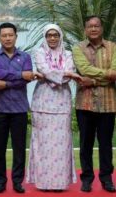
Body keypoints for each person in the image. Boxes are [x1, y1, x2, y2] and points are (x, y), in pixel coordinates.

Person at [71, 15, 116, 193]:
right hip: (84, 104)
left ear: (102, 28)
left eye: (97, 26)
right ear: (85, 29)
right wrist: (108, 75)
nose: (93, 29)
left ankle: (106, 179)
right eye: (90, 27)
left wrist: (92, 81)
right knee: (85, 144)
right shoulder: (77, 48)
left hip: (108, 104)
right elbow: (83, 69)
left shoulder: (114, 47)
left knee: (105, 144)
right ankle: (86, 179)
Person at [27, 24, 81, 191]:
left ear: (60, 37)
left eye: (55, 35)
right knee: (42, 143)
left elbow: (62, 74)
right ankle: (43, 182)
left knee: (62, 143)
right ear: (45, 36)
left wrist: (55, 75)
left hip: (62, 103)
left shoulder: (68, 54)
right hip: (42, 103)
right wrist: (65, 74)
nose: (52, 38)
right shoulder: (39, 52)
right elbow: (44, 69)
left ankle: (60, 183)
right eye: (49, 35)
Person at [0, 22, 37, 194]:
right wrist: (19, 76)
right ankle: (0, 181)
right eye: (4, 35)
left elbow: (27, 79)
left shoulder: (25, 56)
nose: (8, 38)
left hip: (19, 109)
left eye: (11, 35)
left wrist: (7, 83)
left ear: (16, 36)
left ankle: (17, 181)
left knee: (19, 148)